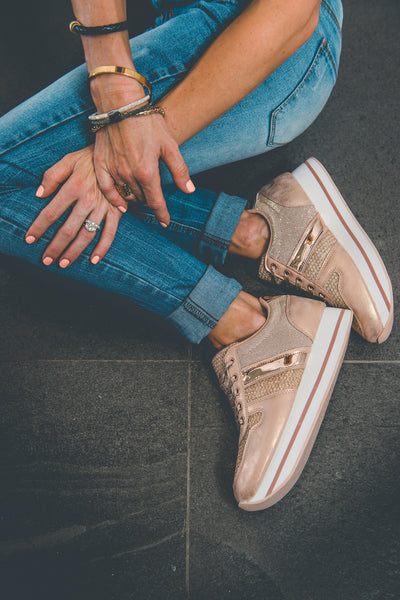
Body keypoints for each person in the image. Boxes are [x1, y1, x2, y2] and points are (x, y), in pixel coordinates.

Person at [0, 0, 393, 510]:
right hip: (173, 30)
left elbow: (295, 12)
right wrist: (113, 84)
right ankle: (260, 243)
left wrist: (131, 134)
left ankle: (249, 307)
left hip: (272, 47)